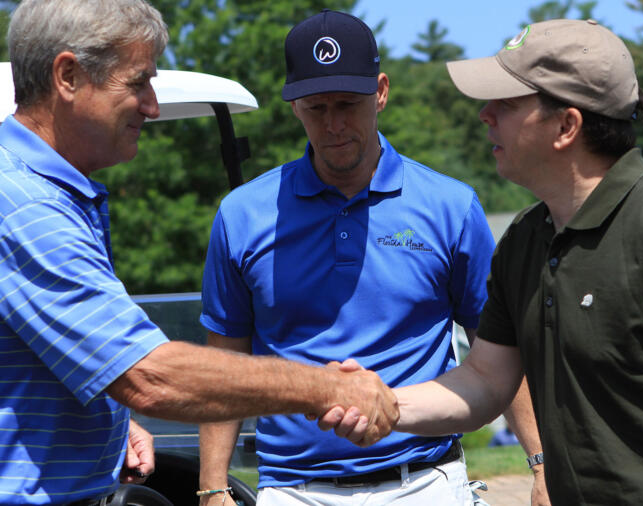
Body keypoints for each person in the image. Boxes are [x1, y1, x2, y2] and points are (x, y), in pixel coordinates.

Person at [0, 1, 398, 505]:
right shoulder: (25, 209)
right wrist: (328, 388)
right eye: (138, 82)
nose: (152, 106)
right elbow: (149, 377)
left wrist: (109, 423)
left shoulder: (28, 187)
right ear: (68, 75)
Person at [327, 18, 643, 505]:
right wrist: (385, 403)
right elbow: (485, 380)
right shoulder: (526, 239)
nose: (485, 115)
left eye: (506, 102)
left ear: (567, 125)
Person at [197, 9, 498, 506]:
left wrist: (541, 465)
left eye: (348, 104)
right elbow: (224, 364)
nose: (334, 124)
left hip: (424, 481)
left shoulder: (451, 206)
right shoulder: (242, 215)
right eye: (316, 108)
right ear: (294, 107)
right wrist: (212, 488)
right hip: (292, 490)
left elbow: (498, 350)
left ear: (380, 91)